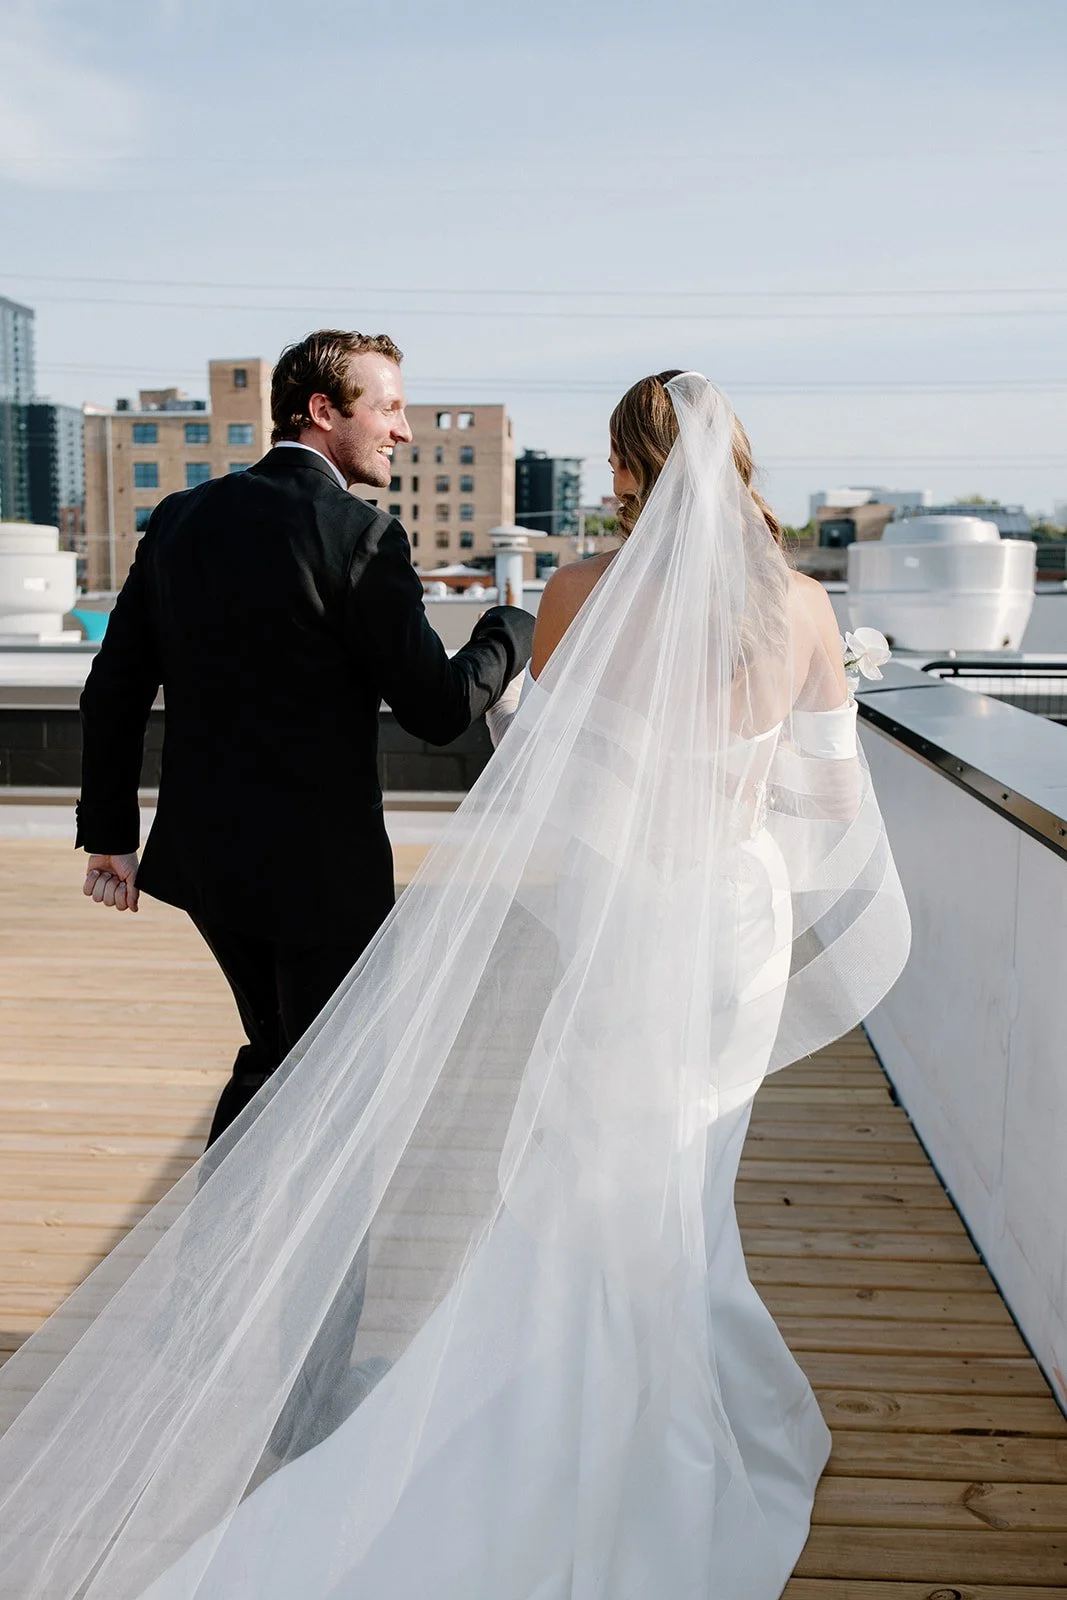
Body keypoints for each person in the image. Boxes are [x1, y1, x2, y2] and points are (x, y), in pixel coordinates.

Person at [0, 372, 909, 1599]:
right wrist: (734, 848)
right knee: (684, 1170)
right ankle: (668, 1392)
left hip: (613, 913)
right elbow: (828, 803)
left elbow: (538, 767)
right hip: (727, 928)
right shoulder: (803, 609)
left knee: (581, 1163)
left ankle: (541, 1397)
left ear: (623, 471)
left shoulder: (579, 593)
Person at [76, 329, 534, 1148]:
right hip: (323, 875)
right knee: (340, 1084)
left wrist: (109, 834)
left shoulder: (181, 518)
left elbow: (113, 687)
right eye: (388, 408)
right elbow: (437, 707)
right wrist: (510, 627)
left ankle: (219, 1271)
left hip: (207, 862)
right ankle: (311, 1282)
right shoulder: (359, 534)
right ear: (323, 410)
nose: (402, 430)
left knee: (273, 1056)